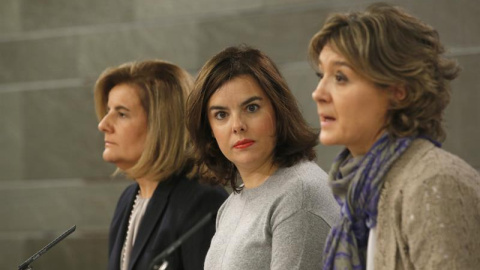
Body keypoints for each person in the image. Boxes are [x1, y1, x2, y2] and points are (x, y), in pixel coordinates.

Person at [309, 3, 480, 270]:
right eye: (322, 75)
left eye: (340, 77)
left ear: (398, 90)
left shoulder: (435, 183)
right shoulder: (357, 195)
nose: (318, 93)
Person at [186, 45, 339, 269]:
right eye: (221, 115)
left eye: (251, 108)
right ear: (209, 129)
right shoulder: (231, 205)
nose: (237, 126)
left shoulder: (299, 195)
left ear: (278, 109)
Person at [94, 60, 228, 270]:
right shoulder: (128, 200)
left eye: (121, 114)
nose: (103, 125)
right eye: (108, 110)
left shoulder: (201, 201)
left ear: (162, 126)